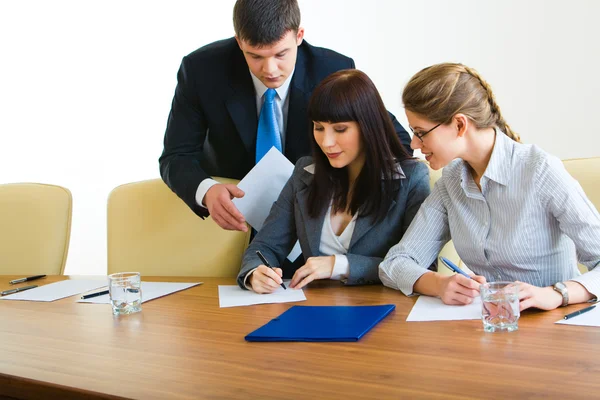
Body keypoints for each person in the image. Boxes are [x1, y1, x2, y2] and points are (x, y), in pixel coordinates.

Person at [159, 0, 412, 233]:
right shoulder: (201, 70)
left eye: (280, 54)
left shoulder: (332, 70)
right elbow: (176, 156)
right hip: (230, 219)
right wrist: (207, 191)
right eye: (255, 56)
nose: (269, 70)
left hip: (312, 218)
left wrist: (346, 192)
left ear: (299, 35)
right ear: (239, 42)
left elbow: (393, 140)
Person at [379, 63, 600, 311]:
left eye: (421, 132)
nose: (414, 144)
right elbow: (395, 264)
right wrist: (439, 284)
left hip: (556, 327)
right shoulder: (451, 182)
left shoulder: (540, 171)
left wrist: (556, 294)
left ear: (460, 125)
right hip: (491, 326)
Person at [237, 69, 430, 293]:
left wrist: (339, 265)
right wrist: (256, 272)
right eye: (319, 128)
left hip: (382, 310)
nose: (326, 142)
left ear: (368, 126)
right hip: (315, 310)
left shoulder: (411, 179)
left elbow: (420, 268)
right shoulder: (305, 172)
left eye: (340, 129)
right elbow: (264, 246)